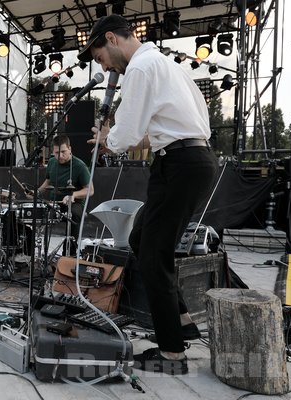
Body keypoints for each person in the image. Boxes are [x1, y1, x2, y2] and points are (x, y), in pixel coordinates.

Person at [79, 15, 218, 374]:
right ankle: (182, 322)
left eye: (99, 57)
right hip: (187, 159)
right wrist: (117, 136)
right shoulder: (168, 66)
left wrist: (108, 139)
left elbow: (125, 136)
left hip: (180, 165)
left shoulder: (140, 68)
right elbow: (165, 127)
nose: (104, 66)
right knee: (143, 240)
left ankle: (172, 354)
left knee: (153, 253)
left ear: (110, 38)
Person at [30, 134, 93, 256]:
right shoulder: (52, 162)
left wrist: (73, 195)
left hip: (74, 203)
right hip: (55, 202)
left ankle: (69, 254)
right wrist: (36, 192)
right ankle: (31, 253)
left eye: (63, 151)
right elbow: (48, 182)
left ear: (70, 148)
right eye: (56, 152)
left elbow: (90, 190)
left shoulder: (79, 166)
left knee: (74, 215)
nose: (60, 156)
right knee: (31, 213)